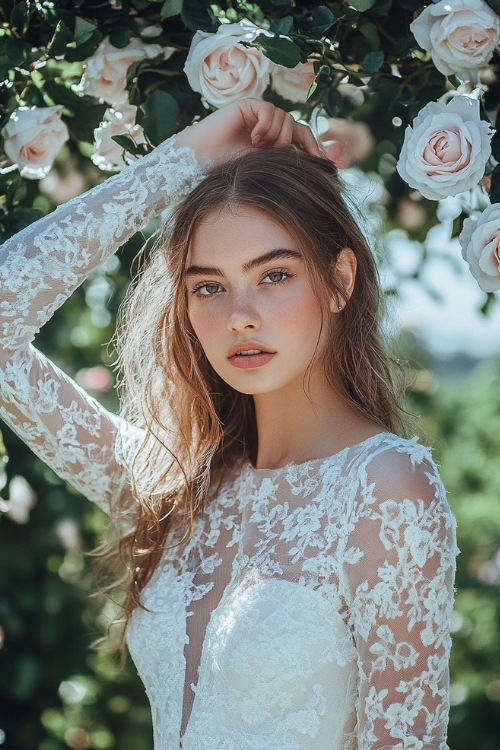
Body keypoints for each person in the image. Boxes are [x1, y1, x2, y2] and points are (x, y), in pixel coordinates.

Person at [0, 99, 458, 750]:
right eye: (208, 286)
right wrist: (181, 161)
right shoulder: (176, 486)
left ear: (338, 280)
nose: (240, 315)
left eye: (274, 275)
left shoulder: (386, 487)